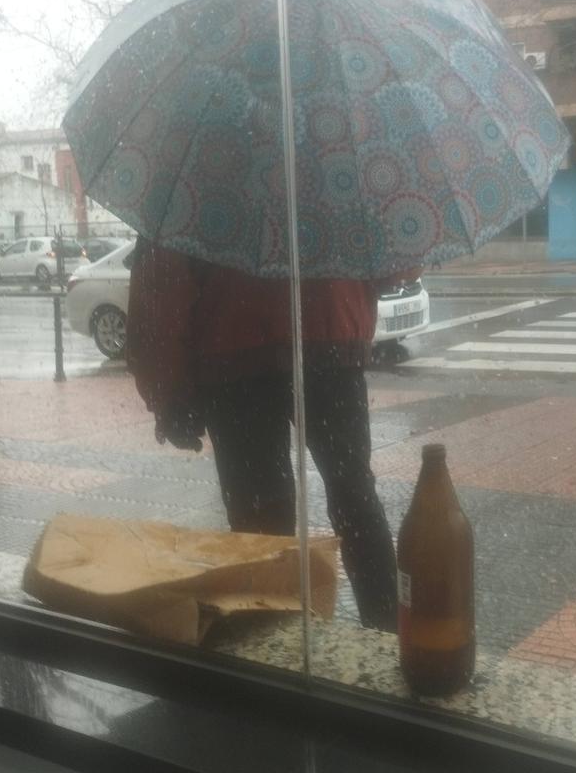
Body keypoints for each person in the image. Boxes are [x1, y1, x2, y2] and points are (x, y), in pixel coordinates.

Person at [125, 238, 404, 632]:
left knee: (261, 516)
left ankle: (273, 650)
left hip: (233, 348)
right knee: (354, 495)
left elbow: (162, 277)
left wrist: (168, 393)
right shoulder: (336, 174)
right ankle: (388, 637)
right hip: (329, 334)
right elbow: (391, 262)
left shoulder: (197, 180)